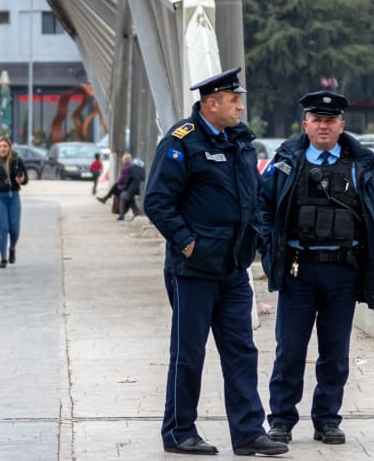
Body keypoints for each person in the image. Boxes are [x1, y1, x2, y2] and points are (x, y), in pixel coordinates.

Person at [143, 67, 287, 457]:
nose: (240, 105)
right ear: (211, 103)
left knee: (241, 350)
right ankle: (178, 432)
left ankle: (248, 433)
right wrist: (188, 243)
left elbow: (255, 198)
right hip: (192, 270)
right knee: (189, 353)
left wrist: (255, 235)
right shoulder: (181, 142)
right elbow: (156, 200)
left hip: (233, 268)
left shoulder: (241, 144)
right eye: (233, 100)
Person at [257, 90, 374, 446]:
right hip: (298, 271)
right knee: (290, 349)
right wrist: (269, 250)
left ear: (341, 125)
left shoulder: (360, 166)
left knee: (335, 352)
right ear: (305, 124)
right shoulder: (287, 162)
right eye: (316, 120)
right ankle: (281, 421)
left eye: (330, 121)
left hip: (342, 273)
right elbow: (263, 209)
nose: (323, 126)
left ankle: (328, 420)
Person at [0, 136, 28, 268]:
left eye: (5, 146)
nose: (2, 149)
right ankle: (3, 258)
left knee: (14, 229)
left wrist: (22, 179)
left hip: (13, 196)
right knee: (3, 228)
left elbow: (25, 177)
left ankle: (12, 248)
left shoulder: (16, 159)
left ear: (9, 147)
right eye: (0, 147)